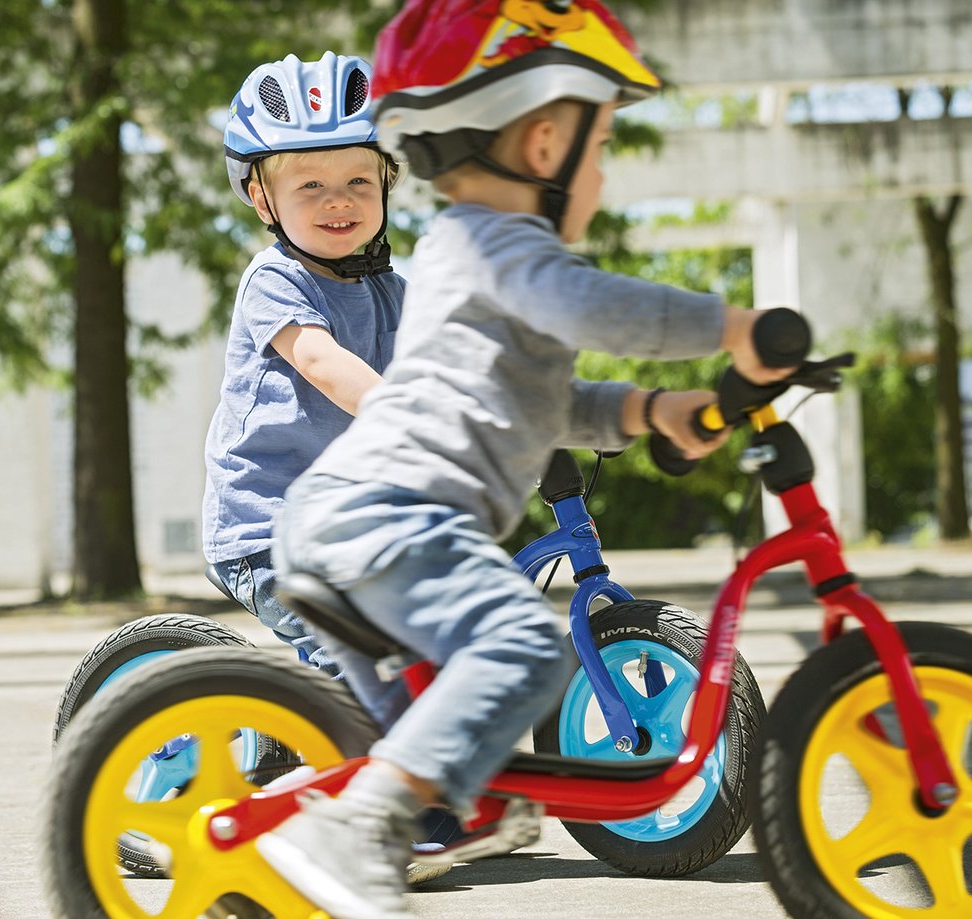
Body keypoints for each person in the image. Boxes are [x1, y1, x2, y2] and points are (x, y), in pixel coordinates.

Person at [259, 3, 797, 918]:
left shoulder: (476, 261)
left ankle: (371, 828)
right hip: (383, 517)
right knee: (520, 644)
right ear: (544, 145)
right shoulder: (497, 244)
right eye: (598, 152)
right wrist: (735, 326)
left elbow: (543, 403)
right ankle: (354, 832)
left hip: (360, 518)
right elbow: (595, 307)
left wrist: (650, 410)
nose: (598, 174)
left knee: (455, 727)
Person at [202, 51, 403, 678]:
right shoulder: (275, 279)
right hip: (266, 527)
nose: (336, 201)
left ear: (388, 185)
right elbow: (320, 360)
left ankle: (283, 732)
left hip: (345, 527)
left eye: (358, 182)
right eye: (310, 184)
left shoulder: (390, 288)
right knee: (360, 667)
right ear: (264, 199)